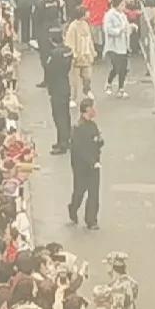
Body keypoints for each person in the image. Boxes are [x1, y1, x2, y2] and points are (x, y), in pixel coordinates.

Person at [67, 96, 102, 230]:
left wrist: (99, 142)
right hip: (81, 167)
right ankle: (73, 207)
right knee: (80, 191)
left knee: (94, 193)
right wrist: (91, 161)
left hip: (94, 164)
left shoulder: (93, 125)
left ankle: (91, 220)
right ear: (87, 109)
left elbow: (96, 141)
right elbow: (79, 149)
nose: (95, 110)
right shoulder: (78, 128)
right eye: (93, 108)